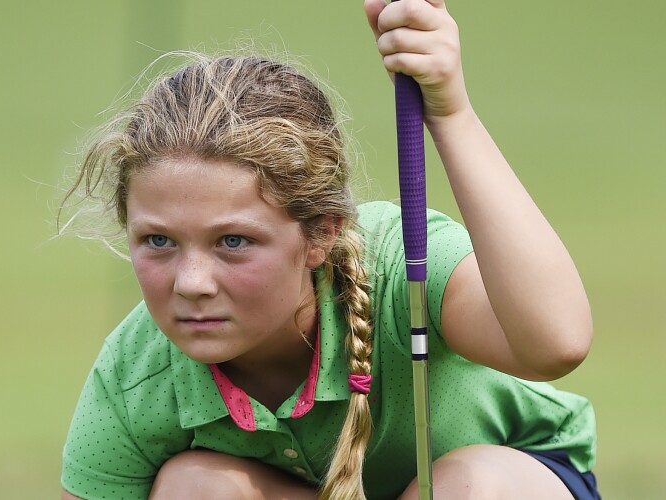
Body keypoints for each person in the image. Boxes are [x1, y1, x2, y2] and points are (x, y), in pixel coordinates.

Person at [59, 0, 600, 498]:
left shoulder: (400, 257)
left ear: (321, 233)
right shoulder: (135, 374)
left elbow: (555, 343)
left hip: (513, 480)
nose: (191, 282)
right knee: (198, 488)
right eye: (158, 241)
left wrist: (450, 112)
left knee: (470, 486)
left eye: (233, 241)